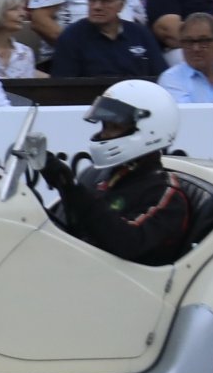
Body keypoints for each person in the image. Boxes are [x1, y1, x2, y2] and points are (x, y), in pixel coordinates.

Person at [37, 80, 191, 267]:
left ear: (150, 129)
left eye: (114, 127)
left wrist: (71, 188)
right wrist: (62, 185)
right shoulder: (98, 175)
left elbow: (128, 242)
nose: (104, 135)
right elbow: (70, 227)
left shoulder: (166, 195)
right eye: (104, 126)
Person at [48, 0, 167, 77]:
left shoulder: (140, 34)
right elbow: (63, 87)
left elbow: (161, 77)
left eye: (105, 0)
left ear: (121, 5)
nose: (97, 6)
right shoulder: (71, 37)